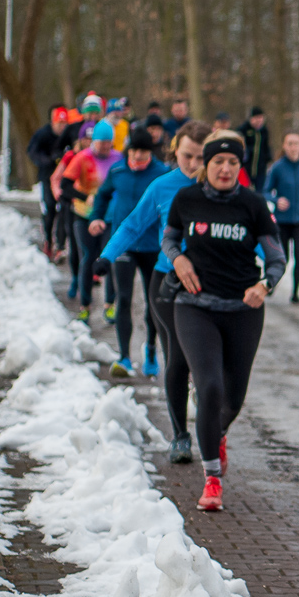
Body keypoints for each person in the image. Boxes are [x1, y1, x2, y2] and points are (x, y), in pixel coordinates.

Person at [162, 130, 285, 511]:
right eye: (219, 161)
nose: (226, 168)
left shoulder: (252, 204)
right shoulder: (186, 199)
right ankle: (212, 479)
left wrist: (264, 285)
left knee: (232, 398)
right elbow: (169, 239)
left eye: (233, 162)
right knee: (209, 387)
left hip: (243, 310)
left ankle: (217, 433)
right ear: (205, 164)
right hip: (195, 306)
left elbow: (277, 259)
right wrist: (178, 259)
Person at [97, 120, 211, 464]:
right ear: (176, 150)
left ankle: (211, 418)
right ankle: (180, 436)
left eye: (200, 158)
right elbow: (132, 223)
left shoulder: (222, 188)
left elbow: (252, 226)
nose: (193, 165)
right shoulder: (163, 186)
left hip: (212, 283)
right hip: (167, 281)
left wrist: (269, 266)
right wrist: (106, 255)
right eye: (187, 156)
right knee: (177, 357)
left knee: (208, 362)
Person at [90, 128, 170, 377]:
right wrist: (97, 218)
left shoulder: (162, 174)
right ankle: (124, 357)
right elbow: (102, 196)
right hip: (124, 245)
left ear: (150, 153)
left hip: (153, 247)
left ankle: (150, 352)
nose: (137, 156)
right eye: (134, 151)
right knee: (123, 298)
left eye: (143, 152)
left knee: (152, 303)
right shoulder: (117, 171)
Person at [61, 119, 123, 323]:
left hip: (110, 217)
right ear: (93, 141)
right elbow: (65, 185)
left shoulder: (118, 158)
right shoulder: (82, 158)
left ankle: (110, 305)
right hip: (84, 216)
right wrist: (83, 196)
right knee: (88, 258)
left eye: (108, 143)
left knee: (109, 258)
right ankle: (85, 305)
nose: (105, 147)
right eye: (101, 143)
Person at [263, 131, 299, 303]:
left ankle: (295, 293)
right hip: (281, 221)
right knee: (282, 257)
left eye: (296, 143)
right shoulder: (277, 168)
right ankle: (270, 284)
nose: (293, 147)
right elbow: (265, 191)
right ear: (284, 146)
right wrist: (276, 199)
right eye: (290, 143)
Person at [27, 105, 70, 259]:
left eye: (65, 124)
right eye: (59, 124)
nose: (62, 127)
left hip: (65, 178)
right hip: (47, 176)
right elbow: (32, 151)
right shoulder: (43, 134)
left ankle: (60, 245)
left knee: (64, 210)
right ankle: (48, 241)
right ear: (53, 122)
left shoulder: (68, 135)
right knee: (50, 209)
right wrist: (47, 161)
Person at [53, 126, 92, 292]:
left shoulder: (99, 158)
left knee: (89, 248)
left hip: (92, 208)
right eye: (86, 139)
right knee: (75, 246)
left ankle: (88, 277)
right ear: (80, 139)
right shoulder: (71, 156)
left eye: (92, 139)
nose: (89, 143)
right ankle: (76, 278)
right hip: (71, 206)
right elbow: (57, 178)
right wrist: (57, 193)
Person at [238, 106, 271, 193]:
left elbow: (266, 147)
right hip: (246, 168)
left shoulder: (264, 131)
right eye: (257, 118)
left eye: (261, 118)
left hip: (260, 169)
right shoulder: (243, 130)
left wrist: (268, 159)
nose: (259, 121)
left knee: (259, 193)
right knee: (246, 191)